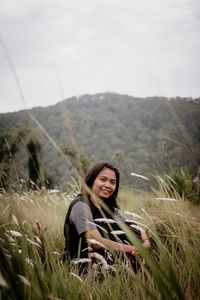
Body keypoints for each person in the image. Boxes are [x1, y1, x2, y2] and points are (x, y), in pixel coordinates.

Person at [63, 161, 150, 274]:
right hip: (83, 267)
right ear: (92, 180)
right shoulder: (81, 205)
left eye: (113, 182)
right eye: (103, 179)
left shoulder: (110, 209)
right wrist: (134, 249)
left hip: (108, 262)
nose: (108, 185)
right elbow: (96, 242)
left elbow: (132, 226)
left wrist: (146, 242)